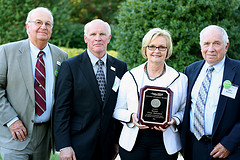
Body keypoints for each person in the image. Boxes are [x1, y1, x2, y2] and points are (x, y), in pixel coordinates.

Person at [53, 19, 128, 160]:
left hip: (108, 145)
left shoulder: (120, 67)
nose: (98, 38)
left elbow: (121, 104)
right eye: (93, 34)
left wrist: (118, 141)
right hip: (78, 144)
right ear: (85, 38)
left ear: (109, 38)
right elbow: (61, 109)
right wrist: (64, 146)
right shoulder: (70, 66)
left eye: (102, 34)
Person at [0, 7, 68, 160]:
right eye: (38, 22)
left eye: (48, 24)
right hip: (15, 135)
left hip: (44, 137)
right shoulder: (6, 52)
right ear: (27, 27)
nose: (43, 27)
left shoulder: (61, 56)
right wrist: (11, 120)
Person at [113, 28, 188, 160]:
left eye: (162, 47)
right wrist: (132, 117)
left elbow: (184, 110)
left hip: (165, 144)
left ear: (168, 50)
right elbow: (117, 110)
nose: (156, 51)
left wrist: (174, 120)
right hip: (133, 142)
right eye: (152, 46)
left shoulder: (180, 79)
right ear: (145, 49)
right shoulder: (130, 76)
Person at [181, 25, 240, 160]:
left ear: (226, 46)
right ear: (201, 46)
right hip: (194, 147)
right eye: (206, 44)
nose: (211, 49)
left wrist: (229, 144)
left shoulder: (238, 71)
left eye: (217, 43)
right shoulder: (190, 70)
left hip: (228, 150)